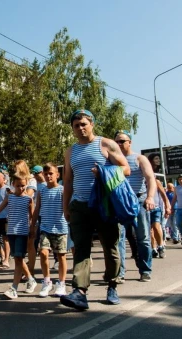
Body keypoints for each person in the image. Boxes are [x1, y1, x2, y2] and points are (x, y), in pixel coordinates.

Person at [59, 109, 130, 311]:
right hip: (79, 206)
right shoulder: (70, 151)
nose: (80, 128)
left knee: (111, 247)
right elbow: (68, 180)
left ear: (92, 124)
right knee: (81, 248)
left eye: (84, 124)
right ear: (72, 129)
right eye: (76, 125)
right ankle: (80, 292)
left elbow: (126, 169)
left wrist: (104, 171)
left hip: (104, 204)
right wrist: (66, 207)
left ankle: (112, 284)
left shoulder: (105, 144)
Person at [0, 173, 37, 299]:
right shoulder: (9, 197)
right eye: (18, 186)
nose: (21, 188)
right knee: (18, 259)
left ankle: (14, 288)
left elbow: (32, 216)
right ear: (13, 185)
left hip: (22, 232)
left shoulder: (28, 199)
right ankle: (30, 279)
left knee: (18, 259)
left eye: (23, 186)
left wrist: (32, 229)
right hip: (11, 231)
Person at [114, 131, 156, 282]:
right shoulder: (113, 160)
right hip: (119, 204)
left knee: (143, 238)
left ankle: (145, 270)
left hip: (139, 202)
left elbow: (150, 179)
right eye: (117, 142)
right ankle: (120, 273)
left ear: (130, 142)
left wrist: (150, 197)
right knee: (118, 239)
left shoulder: (139, 158)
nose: (119, 144)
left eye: (122, 141)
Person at [33, 163, 68, 297]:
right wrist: (32, 226)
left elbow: (66, 209)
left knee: (61, 256)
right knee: (43, 253)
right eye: (46, 174)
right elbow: (37, 209)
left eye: (51, 173)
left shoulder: (62, 190)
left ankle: (61, 283)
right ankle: (47, 281)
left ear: (57, 175)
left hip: (60, 228)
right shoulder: (42, 190)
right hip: (45, 227)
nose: (48, 176)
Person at [14, 160, 38, 276]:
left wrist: (17, 194)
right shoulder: (15, 179)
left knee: (30, 244)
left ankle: (31, 270)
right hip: (17, 217)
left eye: (17, 168)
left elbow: (29, 193)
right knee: (19, 248)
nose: (15, 170)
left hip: (29, 215)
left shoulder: (31, 180)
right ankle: (24, 270)